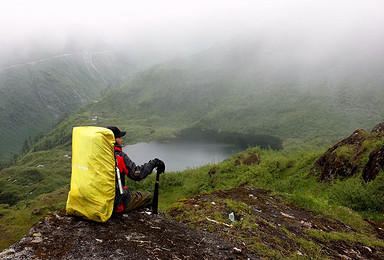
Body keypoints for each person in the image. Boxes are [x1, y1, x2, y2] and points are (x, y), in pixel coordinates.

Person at [107, 126, 165, 213]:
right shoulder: (119, 156)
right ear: (113, 139)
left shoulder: (96, 155)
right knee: (148, 196)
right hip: (116, 203)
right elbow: (136, 174)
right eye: (119, 137)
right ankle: (151, 217)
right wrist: (153, 163)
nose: (121, 140)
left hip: (98, 200)